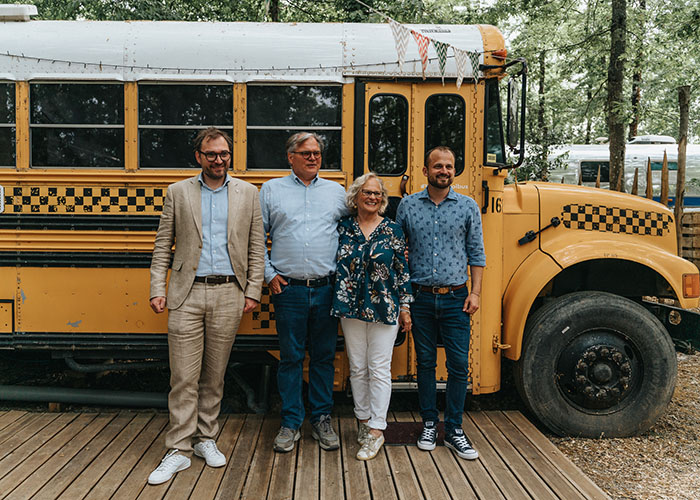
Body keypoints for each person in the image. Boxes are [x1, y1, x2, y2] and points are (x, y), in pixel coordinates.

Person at [148, 127, 265, 484]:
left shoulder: (248, 193)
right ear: (198, 156)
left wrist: (253, 292)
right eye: (211, 154)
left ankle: (206, 438)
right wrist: (157, 288)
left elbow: (257, 247)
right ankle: (178, 449)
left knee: (214, 376)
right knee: (183, 376)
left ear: (230, 156)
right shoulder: (178, 192)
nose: (219, 159)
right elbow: (162, 244)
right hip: (186, 293)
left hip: (230, 293)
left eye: (224, 154)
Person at [395, 146, 485, 461]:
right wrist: (404, 303)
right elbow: (398, 258)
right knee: (425, 364)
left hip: (456, 298)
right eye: (437, 166)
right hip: (420, 297)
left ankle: (455, 429)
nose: (443, 171)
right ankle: (430, 424)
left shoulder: (467, 206)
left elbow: (477, 252)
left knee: (459, 366)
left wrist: (475, 293)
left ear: (454, 170)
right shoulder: (407, 206)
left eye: (448, 166)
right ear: (426, 171)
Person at [259, 132, 347, 453]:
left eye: (317, 153)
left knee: (324, 358)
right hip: (289, 290)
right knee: (291, 358)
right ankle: (291, 422)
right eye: (305, 152)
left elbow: (352, 234)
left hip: (327, 289)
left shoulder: (336, 192)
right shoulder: (271, 191)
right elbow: (257, 237)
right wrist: (269, 276)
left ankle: (322, 418)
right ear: (290, 157)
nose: (312, 158)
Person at [331, 173, 412, 460]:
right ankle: (363, 420)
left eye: (378, 194)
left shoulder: (393, 230)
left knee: (378, 368)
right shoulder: (342, 228)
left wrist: (405, 307)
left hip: (384, 306)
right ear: (356, 196)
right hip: (349, 306)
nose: (373, 197)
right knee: (357, 367)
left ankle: (377, 428)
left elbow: (402, 271)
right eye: (367, 192)